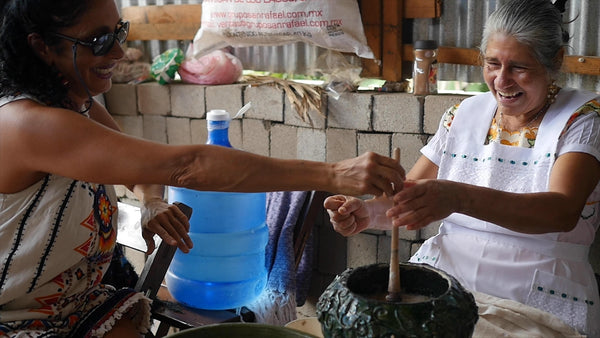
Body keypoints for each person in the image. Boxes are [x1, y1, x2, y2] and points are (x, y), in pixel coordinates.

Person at [0, 0, 405, 337]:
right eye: (99, 41)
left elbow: (140, 168)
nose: (118, 53)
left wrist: (151, 201)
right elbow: (187, 166)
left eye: (119, 32)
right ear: (41, 47)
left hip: (78, 307)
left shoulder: (75, 106)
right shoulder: (30, 124)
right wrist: (332, 174)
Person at [325, 0, 600, 335]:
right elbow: (405, 199)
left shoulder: (583, 118)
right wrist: (366, 213)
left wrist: (458, 197)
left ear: (554, 61)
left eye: (519, 67)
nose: (501, 80)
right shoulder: (462, 115)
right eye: (492, 63)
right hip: (447, 283)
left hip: (537, 287)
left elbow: (560, 211)